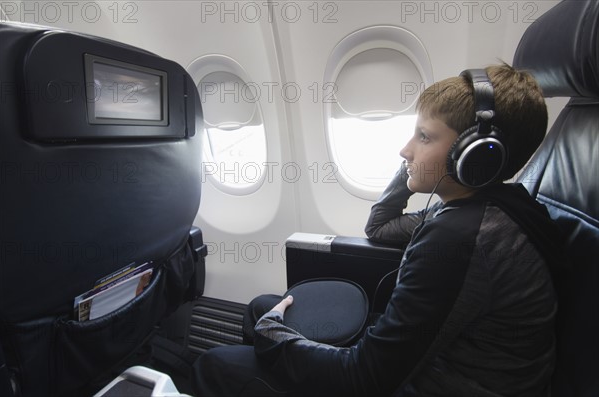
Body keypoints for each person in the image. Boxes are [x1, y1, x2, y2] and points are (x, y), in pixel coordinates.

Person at [192, 64, 564, 396]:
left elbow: (364, 379)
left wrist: (273, 334)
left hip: (422, 382)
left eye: (424, 136)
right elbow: (381, 225)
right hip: (427, 362)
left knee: (219, 361)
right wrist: (417, 165)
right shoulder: (487, 208)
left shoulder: (462, 237)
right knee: (261, 308)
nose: (404, 150)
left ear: (478, 154)